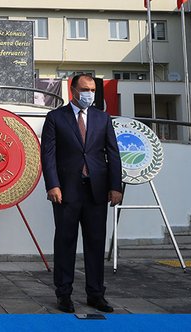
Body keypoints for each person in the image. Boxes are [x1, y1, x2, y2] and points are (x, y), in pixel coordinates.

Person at [40, 73, 122, 314]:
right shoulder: (56, 117)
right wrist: (52, 185)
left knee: (95, 243)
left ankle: (96, 294)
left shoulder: (102, 118)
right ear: (73, 90)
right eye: (85, 89)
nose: (89, 94)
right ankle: (64, 294)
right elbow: (48, 155)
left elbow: (113, 153)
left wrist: (115, 186)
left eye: (93, 90)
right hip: (66, 191)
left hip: (97, 190)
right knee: (65, 242)